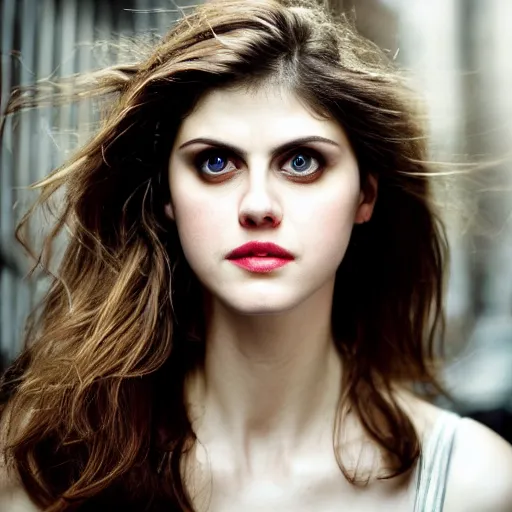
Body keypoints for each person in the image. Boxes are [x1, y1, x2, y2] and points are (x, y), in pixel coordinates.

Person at [1, 0, 511, 510]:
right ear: (166, 198)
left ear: (365, 195)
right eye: (216, 162)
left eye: (302, 161)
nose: (259, 206)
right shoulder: (42, 470)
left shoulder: (474, 484)